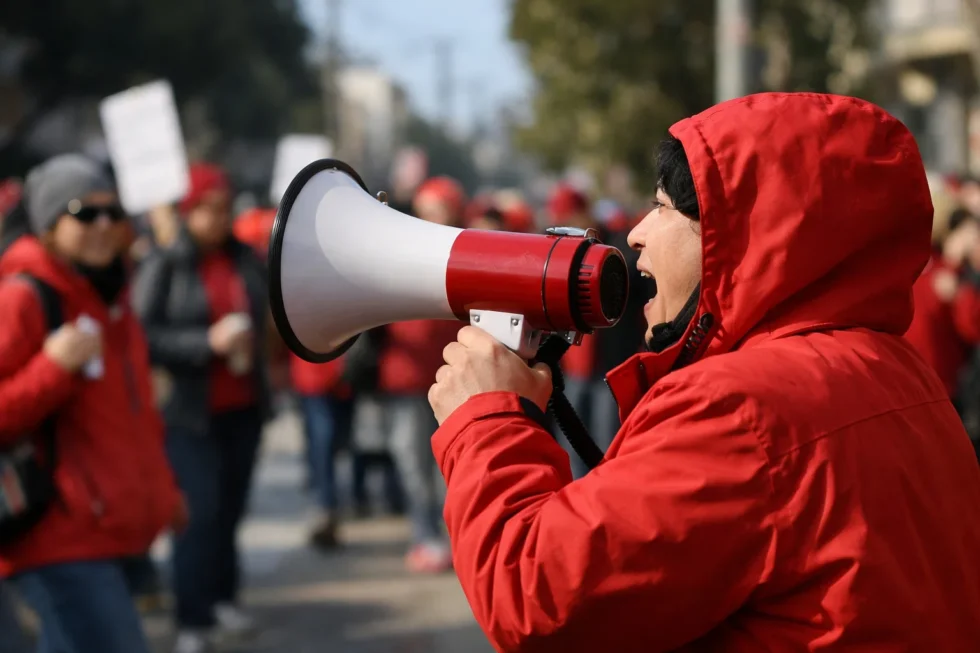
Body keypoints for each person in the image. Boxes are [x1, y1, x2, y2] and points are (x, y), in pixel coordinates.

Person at [426, 93, 980, 651]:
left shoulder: (738, 409)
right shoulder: (900, 372)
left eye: (665, 207)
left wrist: (486, 421)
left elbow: (535, 595)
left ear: (743, 237)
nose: (637, 232)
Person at [0, 154, 185, 653]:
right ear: (48, 225)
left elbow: (135, 415)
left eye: (114, 213)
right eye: (84, 213)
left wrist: (164, 492)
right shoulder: (24, 297)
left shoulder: (113, 298)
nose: (104, 225)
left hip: (111, 533)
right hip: (54, 537)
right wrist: (53, 369)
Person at [133, 163, 270, 653]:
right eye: (206, 210)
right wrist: (205, 342)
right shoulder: (165, 262)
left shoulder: (246, 259)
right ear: (187, 212)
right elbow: (142, 335)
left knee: (231, 511)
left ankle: (223, 600)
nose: (216, 219)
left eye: (223, 208)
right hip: (190, 412)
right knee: (199, 513)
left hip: (243, 406)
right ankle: (192, 618)